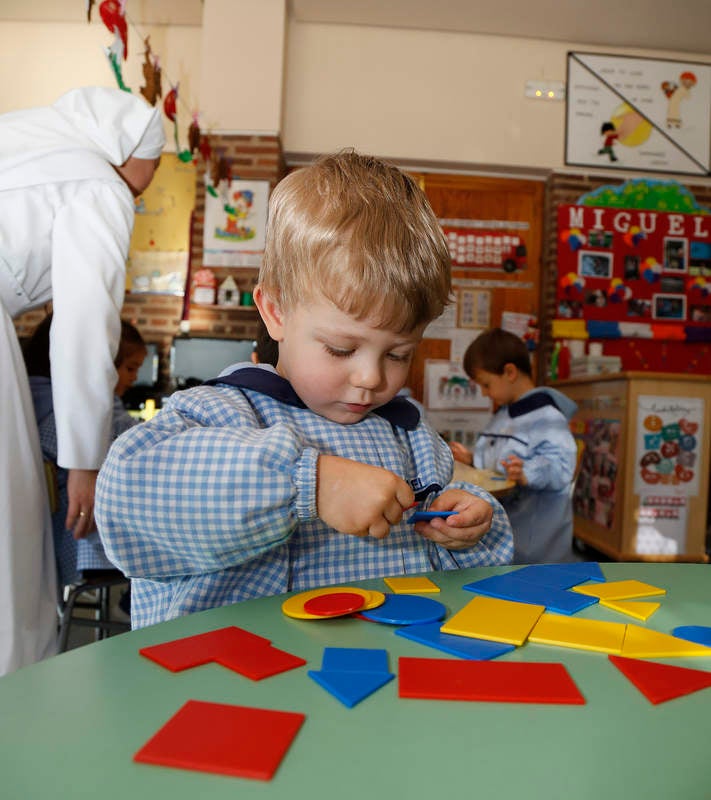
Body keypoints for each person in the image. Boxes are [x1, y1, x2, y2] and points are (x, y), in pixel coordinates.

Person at [95, 150, 513, 629]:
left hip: (388, 674)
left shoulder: (412, 439)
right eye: (340, 348)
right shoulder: (223, 413)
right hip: (244, 684)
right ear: (275, 312)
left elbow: (462, 574)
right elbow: (125, 501)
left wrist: (470, 526)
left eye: (398, 354)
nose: (371, 378)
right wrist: (309, 483)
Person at [0, 86, 164, 674]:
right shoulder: (98, 184)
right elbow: (86, 328)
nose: (139, 195)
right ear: (124, 155)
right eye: (142, 182)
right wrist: (85, 464)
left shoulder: (28, 145)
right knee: (10, 536)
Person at [24, 314, 147, 588]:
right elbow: (133, 442)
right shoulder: (85, 408)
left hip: (51, 534)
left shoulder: (30, 398)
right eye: (129, 368)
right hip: (81, 538)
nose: (135, 377)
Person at [449, 328, 578, 564]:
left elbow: (562, 468)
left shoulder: (548, 416)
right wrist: (473, 459)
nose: (486, 393)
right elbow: (497, 458)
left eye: (486, 385)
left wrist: (527, 472)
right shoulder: (504, 414)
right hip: (508, 530)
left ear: (509, 372)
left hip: (537, 540)